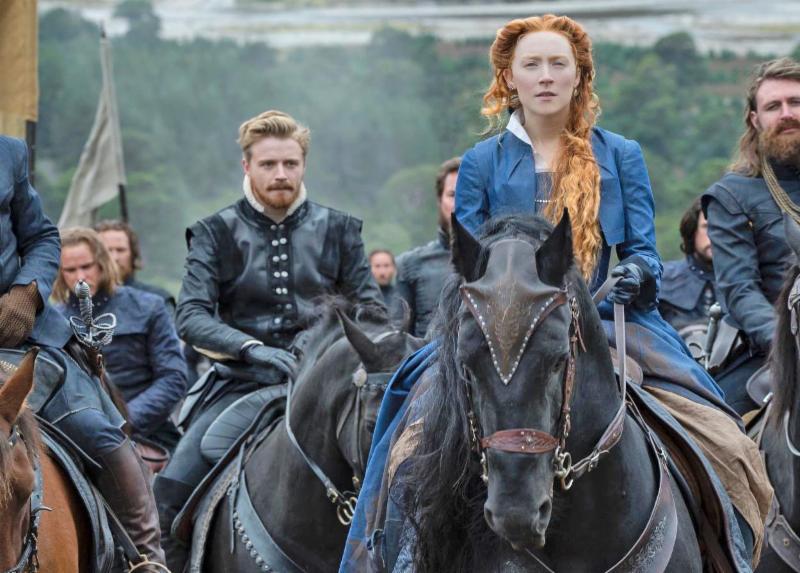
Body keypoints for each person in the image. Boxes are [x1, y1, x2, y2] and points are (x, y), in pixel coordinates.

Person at [340, 16, 771, 571]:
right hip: (501, 328)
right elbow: (466, 265)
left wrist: (635, 275)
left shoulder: (621, 154)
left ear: (579, 75)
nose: (545, 76)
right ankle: (388, 555)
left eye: (557, 64)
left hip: (611, 319)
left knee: (720, 433)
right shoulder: (481, 163)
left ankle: (731, 550)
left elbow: (645, 252)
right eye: (532, 65)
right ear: (509, 78)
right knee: (403, 431)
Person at [155, 110, 385, 570]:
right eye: (268, 164)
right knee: (170, 491)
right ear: (247, 166)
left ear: (303, 165)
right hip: (241, 386)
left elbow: (372, 312)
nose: (280, 174)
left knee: (405, 477)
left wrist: (321, 349)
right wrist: (252, 349)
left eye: (290, 163)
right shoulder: (214, 232)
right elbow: (191, 316)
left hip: (331, 389)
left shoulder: (340, 229)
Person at [0, 136, 166, 570]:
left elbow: (41, 237)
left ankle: (146, 561)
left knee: (103, 438)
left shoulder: (8, 152)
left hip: (26, 340)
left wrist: (28, 291)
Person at [702, 57, 800, 415]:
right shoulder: (731, 195)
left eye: (795, 102)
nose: (786, 114)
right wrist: (788, 343)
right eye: (774, 106)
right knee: (716, 431)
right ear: (756, 120)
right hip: (770, 349)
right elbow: (740, 290)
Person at [54, 227, 187, 451]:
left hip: (147, 432)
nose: (80, 277)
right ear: (60, 272)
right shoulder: (52, 322)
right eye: (71, 270)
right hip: (76, 438)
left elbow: (173, 378)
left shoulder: (149, 307)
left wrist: (124, 421)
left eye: (86, 266)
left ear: (102, 264)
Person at [395, 157, 459, 338]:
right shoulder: (410, 264)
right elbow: (398, 341)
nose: (460, 202)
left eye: (469, 193)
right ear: (440, 200)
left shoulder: (498, 263)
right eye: (453, 195)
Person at [659, 198, 717, 352]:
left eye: (721, 228)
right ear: (693, 230)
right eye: (707, 227)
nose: (715, 235)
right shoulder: (662, 278)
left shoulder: (747, 285)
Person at [95, 219, 177, 315]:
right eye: (107, 251)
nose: (114, 258)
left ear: (133, 255)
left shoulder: (157, 301)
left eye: (121, 250)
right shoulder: (84, 302)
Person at [369, 249, 406, 325]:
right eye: (377, 266)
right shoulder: (362, 298)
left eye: (386, 266)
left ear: (394, 268)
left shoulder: (403, 297)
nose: (382, 272)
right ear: (369, 268)